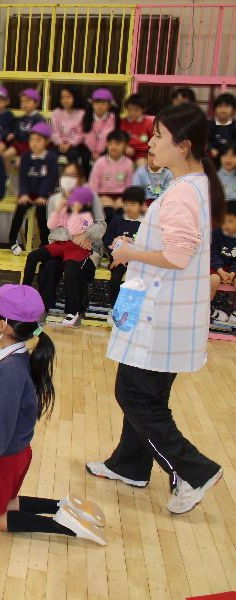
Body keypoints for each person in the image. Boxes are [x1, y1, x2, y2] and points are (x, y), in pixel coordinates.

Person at [90, 102, 225, 514]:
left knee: (135, 395)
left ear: (183, 146)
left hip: (161, 313)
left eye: (158, 137)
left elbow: (178, 254)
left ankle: (193, 470)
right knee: (145, 393)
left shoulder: (185, 192)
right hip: (163, 310)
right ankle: (129, 464)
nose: (150, 143)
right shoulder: (193, 185)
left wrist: (131, 251)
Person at [0, 284, 106, 545]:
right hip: (11, 452)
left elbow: (0, 422)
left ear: (3, 326)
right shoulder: (15, 357)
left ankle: (66, 524)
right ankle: (62, 506)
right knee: (7, 501)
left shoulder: (10, 370)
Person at [36, 163, 106, 316]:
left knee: (73, 267)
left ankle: (74, 312)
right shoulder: (55, 199)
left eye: (73, 175)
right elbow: (53, 228)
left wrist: (86, 235)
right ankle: (42, 308)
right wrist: (76, 237)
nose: (69, 179)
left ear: (80, 178)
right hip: (60, 246)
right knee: (49, 267)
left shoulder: (91, 196)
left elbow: (101, 224)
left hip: (86, 247)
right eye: (66, 175)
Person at [22, 186, 95, 326]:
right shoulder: (65, 211)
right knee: (33, 256)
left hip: (74, 248)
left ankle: (73, 312)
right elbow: (51, 224)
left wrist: (74, 212)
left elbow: (73, 231)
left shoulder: (87, 217)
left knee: (70, 269)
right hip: (60, 245)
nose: (73, 202)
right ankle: (23, 293)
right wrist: (58, 210)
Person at [8, 122, 58, 255]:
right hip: (28, 193)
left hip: (44, 193)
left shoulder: (51, 158)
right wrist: (24, 193)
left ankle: (45, 242)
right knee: (20, 208)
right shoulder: (25, 157)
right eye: (31, 140)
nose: (34, 143)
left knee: (42, 213)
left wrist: (42, 195)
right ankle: (12, 239)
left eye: (38, 140)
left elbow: (50, 179)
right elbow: (23, 178)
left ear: (46, 142)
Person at [103, 186, 144, 307]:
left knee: (138, 280)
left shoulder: (145, 223)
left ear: (141, 205)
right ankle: (114, 308)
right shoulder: (117, 220)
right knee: (115, 279)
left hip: (138, 259)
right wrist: (117, 256)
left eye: (133, 204)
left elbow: (145, 245)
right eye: (126, 204)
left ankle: (135, 309)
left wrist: (131, 257)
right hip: (118, 259)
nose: (129, 208)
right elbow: (108, 240)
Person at [88, 129, 135, 223]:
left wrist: (128, 200)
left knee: (121, 213)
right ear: (107, 145)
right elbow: (93, 184)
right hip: (104, 194)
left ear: (125, 146)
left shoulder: (129, 163)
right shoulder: (100, 162)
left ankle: (121, 236)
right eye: (110, 143)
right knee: (108, 212)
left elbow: (130, 185)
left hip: (121, 195)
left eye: (118, 143)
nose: (113, 146)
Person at [3, 88, 45, 167]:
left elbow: (41, 135)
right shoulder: (21, 118)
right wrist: (12, 135)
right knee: (4, 155)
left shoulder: (38, 118)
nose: (24, 104)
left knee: (19, 162)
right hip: (20, 144)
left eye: (28, 101)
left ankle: (22, 178)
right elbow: (16, 132)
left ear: (36, 103)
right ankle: (6, 178)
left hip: (31, 146)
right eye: (22, 102)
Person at [50, 86, 87, 172]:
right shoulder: (57, 112)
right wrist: (60, 143)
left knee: (74, 155)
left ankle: (73, 180)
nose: (65, 100)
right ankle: (53, 181)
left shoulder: (81, 113)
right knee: (50, 155)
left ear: (75, 97)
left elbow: (81, 134)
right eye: (63, 97)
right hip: (58, 144)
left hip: (75, 145)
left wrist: (69, 144)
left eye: (68, 97)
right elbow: (54, 132)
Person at [210, 202, 236, 324]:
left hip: (232, 269)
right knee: (213, 280)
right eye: (223, 221)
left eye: (230, 221)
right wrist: (220, 270)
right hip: (216, 267)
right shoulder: (216, 233)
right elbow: (213, 253)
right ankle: (208, 309)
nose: (225, 225)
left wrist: (232, 272)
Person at [83, 88, 120, 170]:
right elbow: (85, 135)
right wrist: (92, 152)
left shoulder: (114, 118)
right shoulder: (87, 117)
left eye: (103, 103)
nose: (99, 106)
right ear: (92, 104)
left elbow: (113, 137)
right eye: (96, 102)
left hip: (107, 149)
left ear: (109, 105)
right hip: (88, 150)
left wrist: (101, 153)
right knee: (84, 157)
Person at [120, 93, 154, 166]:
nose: (132, 113)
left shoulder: (148, 123)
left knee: (142, 167)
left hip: (142, 153)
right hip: (125, 151)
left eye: (136, 110)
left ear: (144, 109)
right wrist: (125, 147)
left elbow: (153, 140)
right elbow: (118, 139)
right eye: (130, 109)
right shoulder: (122, 122)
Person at [208, 93, 235, 167]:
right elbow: (205, 140)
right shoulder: (209, 124)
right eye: (219, 106)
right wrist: (211, 149)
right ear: (214, 109)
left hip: (231, 159)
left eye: (227, 106)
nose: (223, 110)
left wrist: (230, 155)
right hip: (212, 158)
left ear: (234, 110)